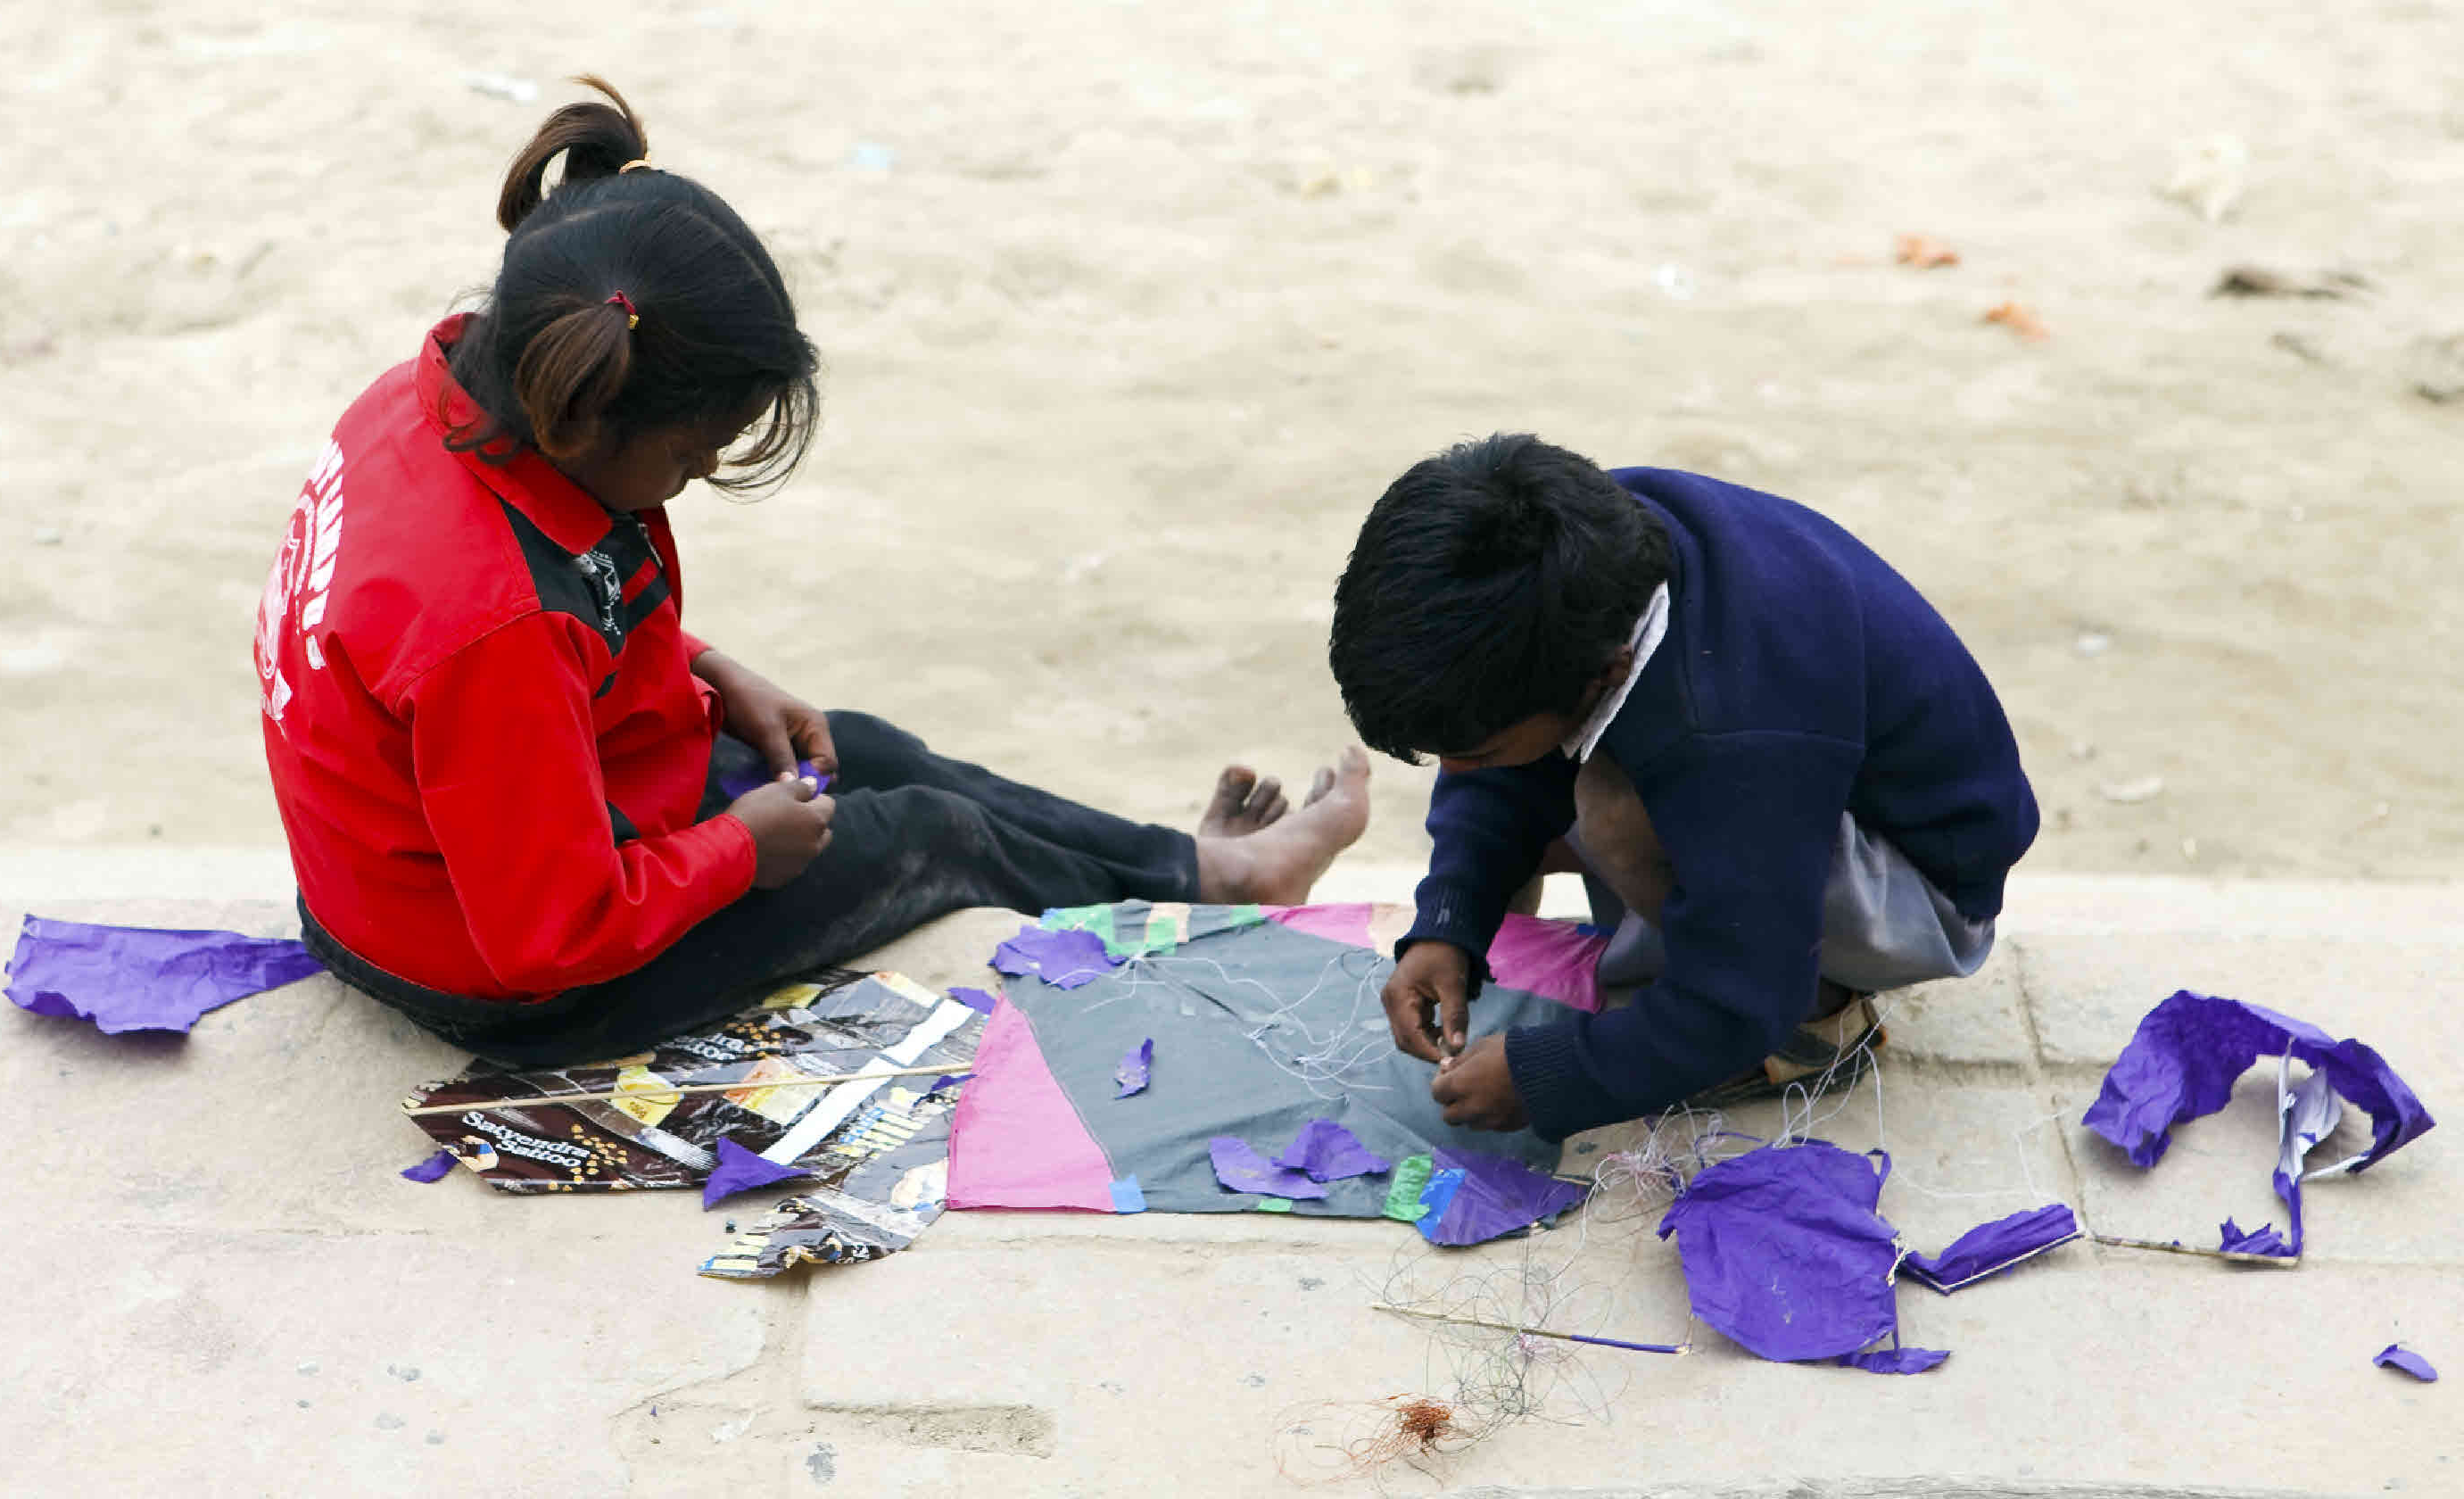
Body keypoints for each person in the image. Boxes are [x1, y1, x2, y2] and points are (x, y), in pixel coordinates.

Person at [253, 79, 1368, 1067]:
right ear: (584, 414)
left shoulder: (430, 398)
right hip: (507, 981)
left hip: (409, 871)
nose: (697, 478)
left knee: (861, 745)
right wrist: (740, 850)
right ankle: (1217, 884)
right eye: (693, 452)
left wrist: (701, 665)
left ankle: (1185, 869)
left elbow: (486, 648)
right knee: (923, 830)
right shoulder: (492, 626)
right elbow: (551, 931)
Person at [1327, 435, 2037, 1139]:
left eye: (1473, 750)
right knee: (1511, 777)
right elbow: (1496, 763)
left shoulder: (1730, 727)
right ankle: (1626, 938)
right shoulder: (1575, 555)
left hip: (1923, 886)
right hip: (1787, 796)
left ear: (1606, 672)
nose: (1454, 772)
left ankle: (1817, 1023)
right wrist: (1448, 924)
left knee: (1611, 814)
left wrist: (1555, 1075)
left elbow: (1748, 994)